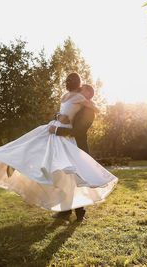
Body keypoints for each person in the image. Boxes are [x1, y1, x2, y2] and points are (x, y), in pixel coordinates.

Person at [0, 73, 118, 221]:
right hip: (61, 134)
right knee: (58, 168)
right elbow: (95, 109)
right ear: (79, 86)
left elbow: (72, 121)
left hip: (60, 132)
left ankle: (15, 161)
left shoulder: (65, 96)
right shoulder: (79, 98)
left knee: (35, 146)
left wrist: (59, 120)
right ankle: (66, 208)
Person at [48, 84, 96, 219]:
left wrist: (57, 130)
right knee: (64, 177)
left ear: (88, 93)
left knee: (76, 179)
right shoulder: (75, 101)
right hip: (65, 145)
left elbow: (78, 131)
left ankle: (80, 212)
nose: (79, 90)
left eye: (83, 89)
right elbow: (62, 113)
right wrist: (59, 116)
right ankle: (65, 210)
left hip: (78, 148)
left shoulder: (89, 111)